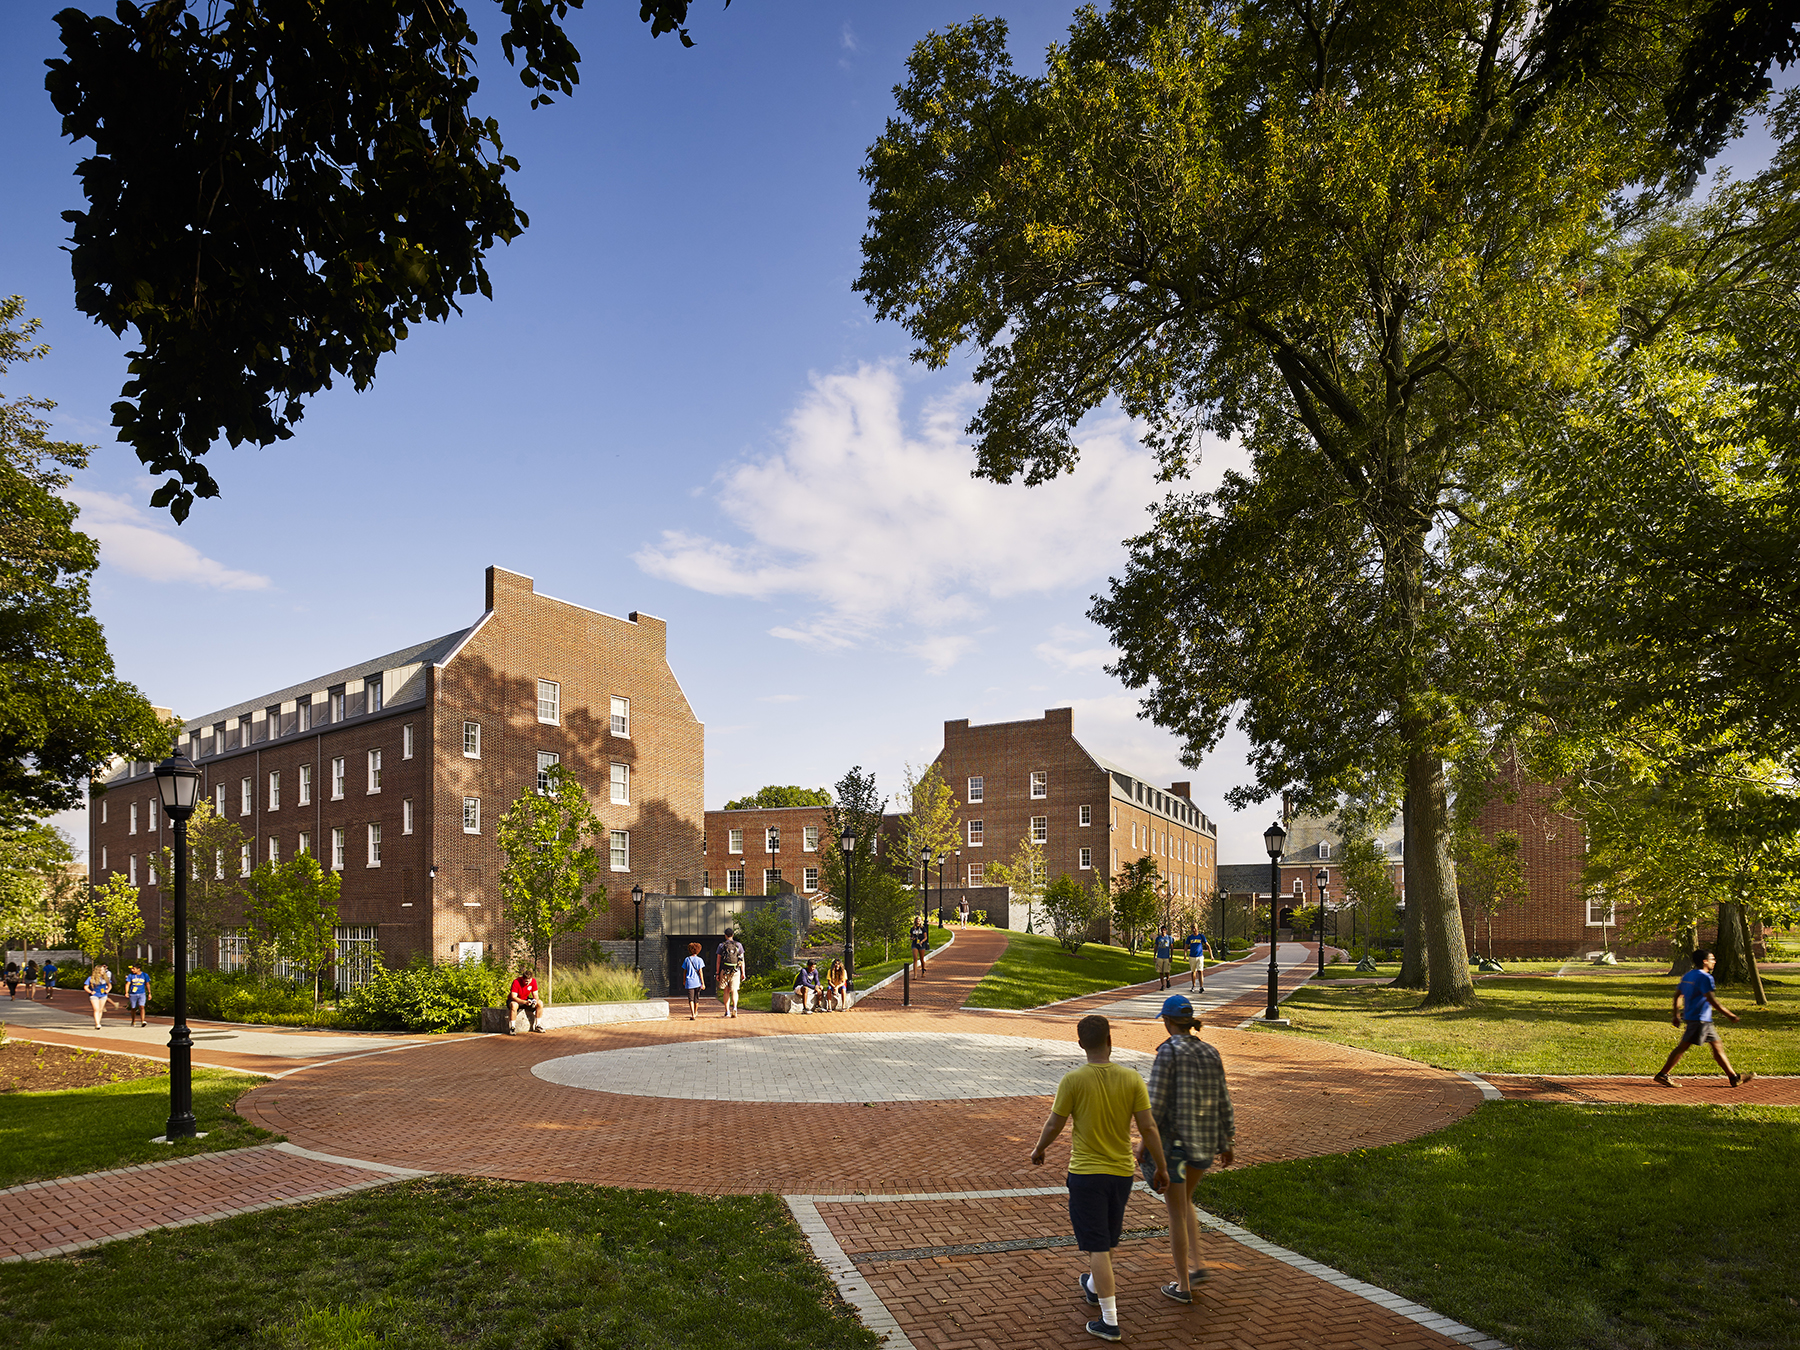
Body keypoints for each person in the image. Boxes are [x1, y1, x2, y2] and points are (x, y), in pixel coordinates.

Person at [1031, 1014, 1168, 1343]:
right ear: (1110, 1041)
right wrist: (1161, 1166)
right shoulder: (1131, 1079)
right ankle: (1093, 1287)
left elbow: (1055, 1123)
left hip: (1086, 1174)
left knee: (1096, 1245)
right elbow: (1148, 1127)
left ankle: (1109, 1320)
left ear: (1081, 1044)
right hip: (1121, 1173)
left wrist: (1039, 1149)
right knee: (1105, 1241)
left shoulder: (1073, 1081)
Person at [1146, 993, 1235, 1304]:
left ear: (1168, 1022)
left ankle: (1183, 1285)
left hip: (1176, 1146)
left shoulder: (1168, 1052)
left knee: (1175, 1212)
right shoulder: (1211, 1052)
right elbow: (1224, 1100)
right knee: (1185, 1203)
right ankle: (1198, 1266)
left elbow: (1154, 1105)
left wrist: (1144, 1144)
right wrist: (1227, 1142)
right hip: (1205, 1145)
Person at [1655, 949, 1755, 1088]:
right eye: (1712, 959)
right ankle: (1663, 1074)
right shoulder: (1705, 977)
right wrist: (1729, 1015)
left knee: (1717, 1046)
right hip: (1699, 1019)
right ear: (1705, 961)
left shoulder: (1689, 975)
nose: (1714, 961)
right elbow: (1711, 1000)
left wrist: (1676, 1015)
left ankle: (1734, 1077)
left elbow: (1678, 995)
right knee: (1683, 1047)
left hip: (1697, 1018)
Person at [715, 926, 746, 1019]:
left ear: (725, 935)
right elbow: (742, 960)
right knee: (734, 990)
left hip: (724, 970)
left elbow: (718, 961)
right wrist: (743, 972)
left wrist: (717, 973)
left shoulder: (721, 945)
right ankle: (735, 1007)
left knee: (726, 991)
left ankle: (727, 1011)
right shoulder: (738, 945)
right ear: (732, 935)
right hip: (736, 970)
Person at [507, 965, 544, 1034]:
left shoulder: (533, 981)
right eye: (526, 981)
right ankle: (512, 1027)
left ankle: (537, 1025)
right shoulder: (516, 982)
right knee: (514, 1005)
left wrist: (534, 1001)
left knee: (540, 1003)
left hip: (525, 999)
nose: (528, 983)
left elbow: (535, 995)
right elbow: (513, 997)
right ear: (523, 979)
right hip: (516, 1000)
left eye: (529, 981)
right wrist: (524, 1002)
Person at [680, 942, 706, 1020]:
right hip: (697, 982)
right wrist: (703, 983)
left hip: (689, 981)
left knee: (690, 999)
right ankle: (695, 1011)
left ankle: (692, 1014)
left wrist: (684, 981)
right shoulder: (700, 960)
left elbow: (685, 971)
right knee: (696, 999)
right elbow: (700, 972)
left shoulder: (687, 959)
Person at [83, 963, 112, 1030]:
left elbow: (110, 985)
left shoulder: (105, 978)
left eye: (103, 970)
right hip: (94, 995)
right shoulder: (91, 978)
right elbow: (86, 987)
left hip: (103, 995)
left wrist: (108, 990)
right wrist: (90, 991)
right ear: (98, 970)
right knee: (96, 1009)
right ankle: (97, 1023)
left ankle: (99, 1022)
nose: (103, 971)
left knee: (100, 1009)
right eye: (102, 970)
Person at [1185, 927, 1208, 993]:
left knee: (1200, 971)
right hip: (1192, 956)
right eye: (1192, 928)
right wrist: (1185, 955)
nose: (1194, 930)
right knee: (1193, 971)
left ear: (1197, 928)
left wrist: (1211, 954)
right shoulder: (1190, 937)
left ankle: (1201, 987)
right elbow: (1186, 946)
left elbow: (1207, 945)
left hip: (1200, 956)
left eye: (1195, 928)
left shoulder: (1201, 936)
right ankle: (1193, 985)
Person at [1153, 925, 1175, 992]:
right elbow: (1156, 947)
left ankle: (1168, 980)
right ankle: (1162, 985)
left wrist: (1171, 956)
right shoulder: (1158, 938)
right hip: (1160, 956)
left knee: (1167, 971)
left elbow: (1171, 947)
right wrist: (1154, 956)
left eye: (1164, 929)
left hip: (1166, 957)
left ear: (1166, 930)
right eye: (1162, 929)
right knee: (1160, 971)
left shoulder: (1169, 938)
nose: (1163, 931)